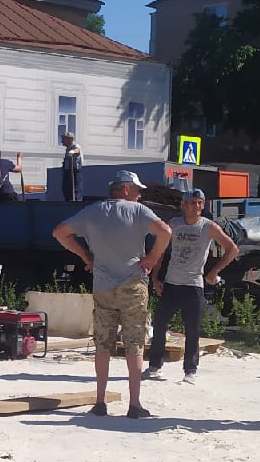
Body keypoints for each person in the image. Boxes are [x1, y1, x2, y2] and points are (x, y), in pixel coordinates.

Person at [53, 171, 173, 419]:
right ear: (127, 189)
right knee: (135, 345)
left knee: (103, 345)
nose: (140, 195)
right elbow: (165, 232)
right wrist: (151, 259)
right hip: (133, 285)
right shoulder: (137, 211)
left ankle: (99, 402)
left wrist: (86, 256)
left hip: (103, 285)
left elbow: (59, 233)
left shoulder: (92, 211)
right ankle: (134, 404)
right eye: (138, 191)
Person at [146, 188, 240, 384]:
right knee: (160, 324)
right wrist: (155, 277)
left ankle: (190, 370)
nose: (196, 206)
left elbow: (232, 249)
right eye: (192, 202)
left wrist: (214, 272)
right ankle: (154, 366)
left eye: (199, 202)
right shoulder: (174, 224)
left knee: (192, 329)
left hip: (193, 284)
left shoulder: (209, 227)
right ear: (184, 205)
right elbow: (160, 252)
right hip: (171, 283)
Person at [60, 133, 83, 201]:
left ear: (70, 139)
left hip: (74, 171)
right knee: (66, 190)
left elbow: (77, 150)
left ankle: (75, 203)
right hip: (67, 172)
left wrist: (72, 152)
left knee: (75, 189)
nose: (62, 141)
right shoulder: (67, 149)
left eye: (64, 139)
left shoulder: (75, 146)